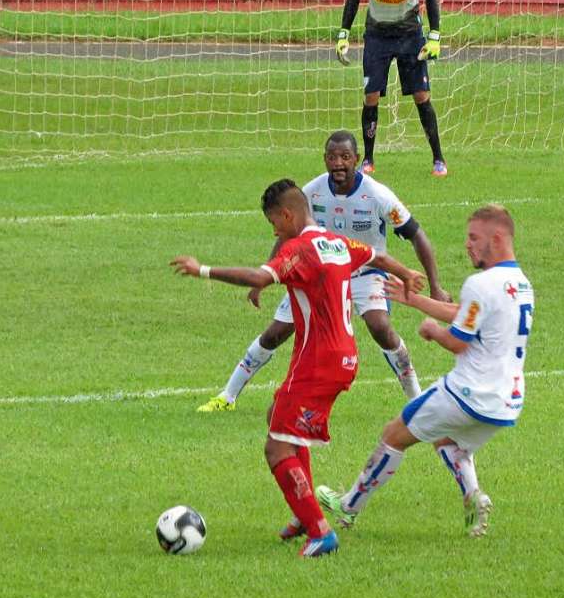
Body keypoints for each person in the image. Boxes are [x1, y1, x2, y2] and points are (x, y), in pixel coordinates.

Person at [171, 179, 425, 558]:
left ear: (287, 215)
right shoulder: (336, 242)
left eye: (274, 223)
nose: (274, 231)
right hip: (344, 358)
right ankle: (303, 514)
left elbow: (259, 277)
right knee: (279, 416)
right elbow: (377, 256)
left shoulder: (301, 249)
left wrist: (202, 269)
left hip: (317, 362)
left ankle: (320, 533)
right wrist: (407, 274)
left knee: (276, 449)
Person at [316, 204, 534, 539]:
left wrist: (432, 332)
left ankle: (347, 507)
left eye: (474, 238)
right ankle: (474, 497)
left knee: (394, 435)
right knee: (448, 441)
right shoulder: (520, 284)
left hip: (466, 393)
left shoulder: (481, 283)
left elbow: (459, 341)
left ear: (498, 237)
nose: (467, 244)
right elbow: (466, 314)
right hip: (506, 401)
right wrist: (414, 301)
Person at [197, 130, 452, 413]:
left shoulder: (378, 195)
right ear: (324, 159)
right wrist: (263, 279)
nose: (338, 163)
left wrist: (436, 286)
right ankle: (228, 396)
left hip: (367, 272)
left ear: (356, 159)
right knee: (276, 333)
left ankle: (416, 400)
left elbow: (417, 235)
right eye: (332, 157)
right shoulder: (312, 192)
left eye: (345, 157)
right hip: (320, 273)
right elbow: (285, 234)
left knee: (380, 327)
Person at [334, 0, 448, 177]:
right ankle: (368, 160)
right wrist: (343, 33)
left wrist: (434, 36)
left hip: (409, 33)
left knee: (422, 96)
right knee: (371, 96)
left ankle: (438, 159)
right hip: (377, 34)